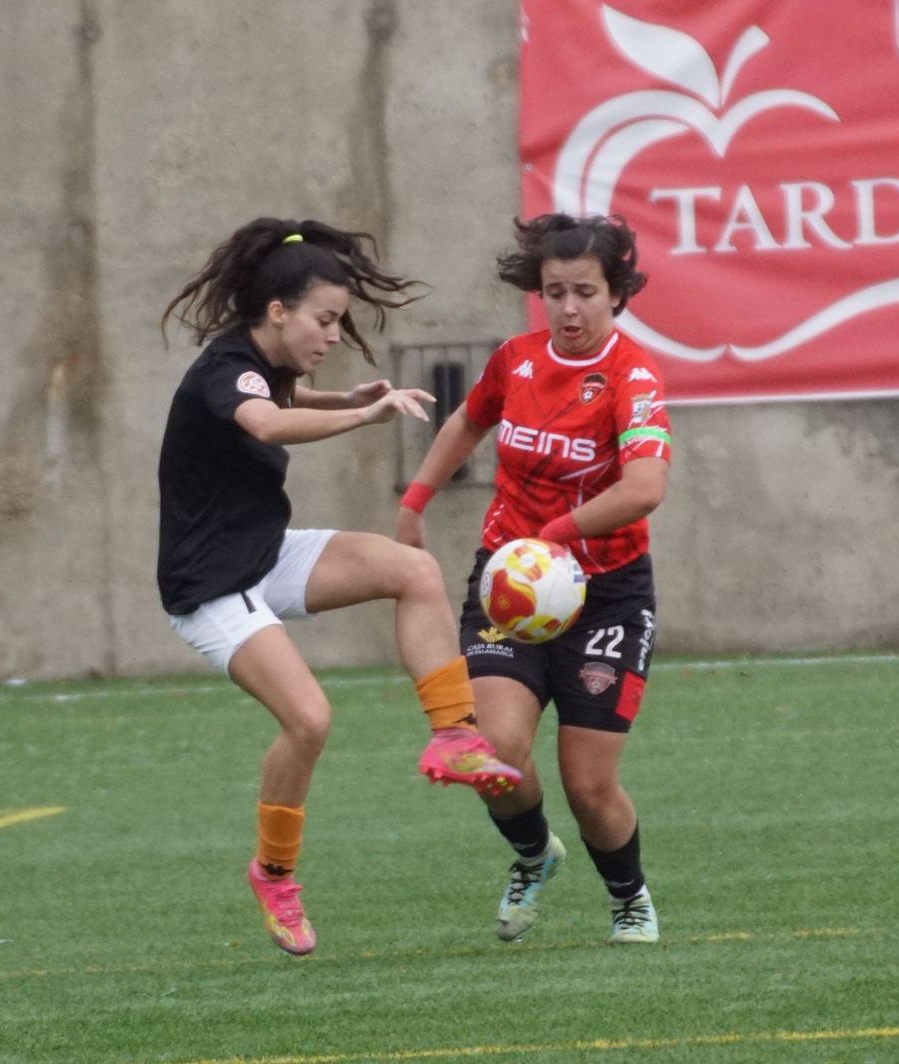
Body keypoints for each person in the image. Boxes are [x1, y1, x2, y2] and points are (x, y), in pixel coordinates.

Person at [158, 217, 523, 956]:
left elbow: (282, 400)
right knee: (310, 721)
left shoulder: (264, 362)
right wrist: (364, 412)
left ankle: (454, 736)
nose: (332, 333)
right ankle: (274, 874)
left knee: (412, 569)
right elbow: (263, 423)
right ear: (276, 312)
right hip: (208, 586)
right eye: (325, 319)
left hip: (261, 554)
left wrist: (338, 396)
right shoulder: (226, 370)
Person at [395, 213, 672, 945]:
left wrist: (553, 537)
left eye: (585, 291)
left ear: (617, 294)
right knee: (495, 754)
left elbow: (645, 486)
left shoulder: (632, 376)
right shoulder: (516, 360)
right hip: (509, 588)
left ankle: (629, 896)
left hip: (606, 594)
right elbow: (465, 421)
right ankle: (530, 856)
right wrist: (415, 501)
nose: (569, 308)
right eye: (555, 292)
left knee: (587, 783)